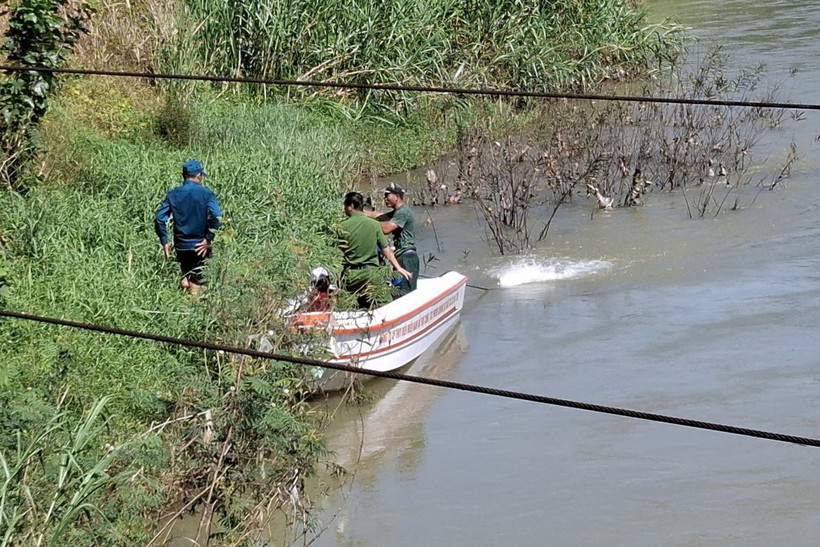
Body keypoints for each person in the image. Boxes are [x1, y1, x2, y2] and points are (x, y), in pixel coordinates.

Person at [154, 159, 221, 296]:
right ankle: (194, 305)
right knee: (197, 281)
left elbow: (159, 218)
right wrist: (209, 238)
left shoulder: (173, 194)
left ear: (184, 175)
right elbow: (217, 216)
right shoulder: (206, 193)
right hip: (200, 245)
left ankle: (184, 288)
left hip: (181, 245)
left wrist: (165, 242)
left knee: (186, 278)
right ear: (199, 176)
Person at [340, 191, 411, 309]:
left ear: (351, 206)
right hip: (371, 275)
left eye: (345, 206)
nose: (344, 209)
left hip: (350, 277)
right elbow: (386, 250)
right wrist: (398, 268)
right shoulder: (374, 224)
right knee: (386, 307)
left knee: (348, 305)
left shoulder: (342, 226)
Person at [366, 182, 418, 296]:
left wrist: (365, 224)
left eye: (387, 195)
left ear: (397, 196)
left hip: (406, 256)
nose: (385, 198)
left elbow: (387, 229)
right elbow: (380, 216)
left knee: (404, 293)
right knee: (398, 290)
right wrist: (361, 213)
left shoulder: (403, 212)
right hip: (401, 255)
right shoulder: (397, 212)